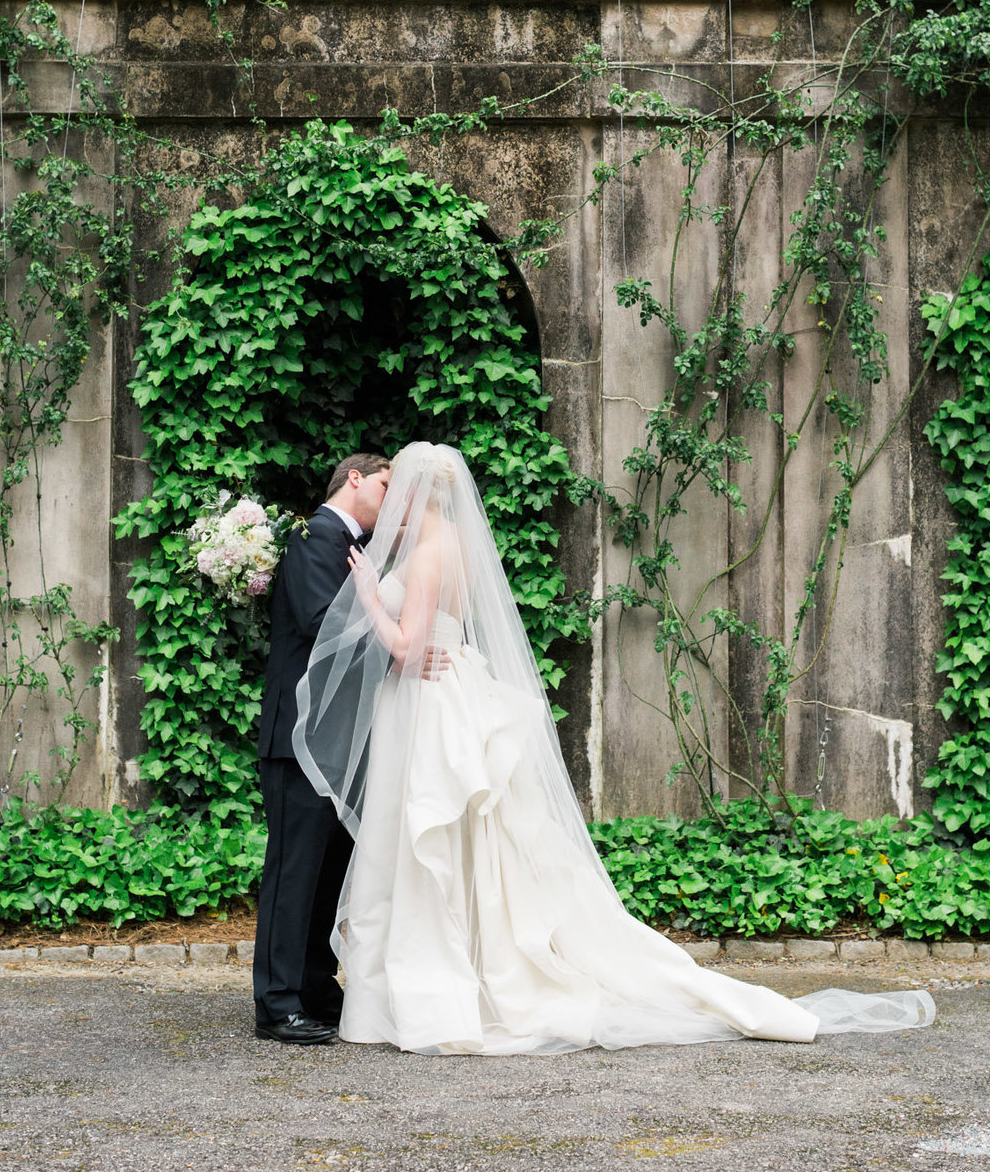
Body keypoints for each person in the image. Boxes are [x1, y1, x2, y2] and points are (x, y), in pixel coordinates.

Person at [293, 442, 936, 1057]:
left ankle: (444, 989)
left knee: (434, 842)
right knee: (464, 845)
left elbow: (405, 649)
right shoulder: (451, 542)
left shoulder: (428, 551)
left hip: (433, 703)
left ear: (414, 491)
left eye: (396, 485)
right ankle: (464, 974)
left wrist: (374, 599)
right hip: (447, 692)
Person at [252, 451, 390, 1044]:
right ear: (354, 477)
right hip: (298, 734)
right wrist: (386, 616)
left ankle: (313, 985)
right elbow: (319, 621)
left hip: (336, 737)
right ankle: (277, 1002)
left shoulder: (356, 545)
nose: (393, 497)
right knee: (293, 869)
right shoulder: (316, 535)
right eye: (387, 484)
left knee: (327, 870)